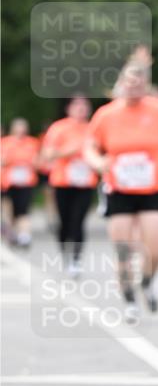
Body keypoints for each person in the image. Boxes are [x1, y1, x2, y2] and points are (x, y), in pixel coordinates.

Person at [83, 61, 158, 320]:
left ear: (146, 86)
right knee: (123, 250)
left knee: (154, 249)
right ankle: (129, 300)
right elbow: (90, 147)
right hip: (119, 189)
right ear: (120, 85)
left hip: (154, 188)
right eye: (128, 83)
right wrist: (98, 162)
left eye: (138, 84)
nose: (133, 88)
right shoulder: (106, 114)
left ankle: (147, 282)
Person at [41, 95, 98, 274]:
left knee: (78, 220)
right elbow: (48, 154)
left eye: (85, 104)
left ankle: (76, 259)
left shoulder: (94, 128)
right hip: (63, 182)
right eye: (77, 104)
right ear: (69, 108)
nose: (81, 108)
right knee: (65, 221)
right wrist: (70, 151)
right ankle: (65, 254)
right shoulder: (58, 128)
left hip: (86, 182)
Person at [0, 118, 40, 248]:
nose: (21, 131)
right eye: (18, 128)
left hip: (26, 182)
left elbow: (37, 161)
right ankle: (10, 231)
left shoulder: (32, 142)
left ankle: (24, 235)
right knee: (9, 209)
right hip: (8, 182)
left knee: (23, 209)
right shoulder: (5, 143)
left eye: (23, 128)